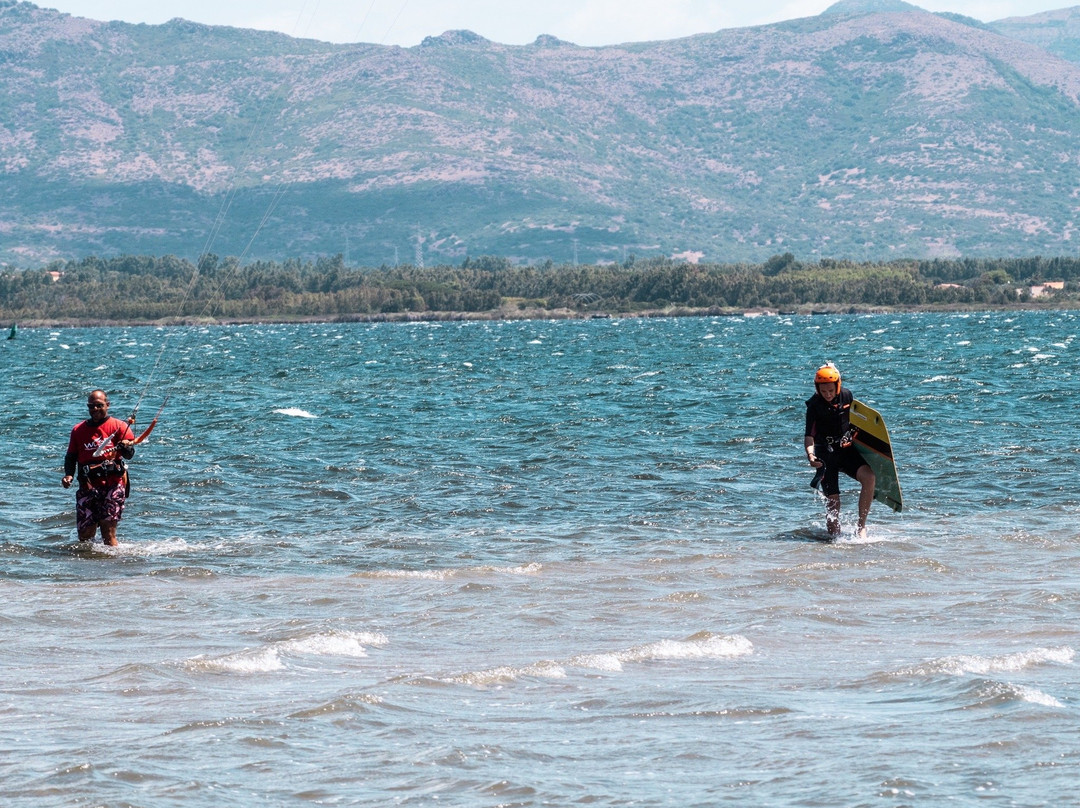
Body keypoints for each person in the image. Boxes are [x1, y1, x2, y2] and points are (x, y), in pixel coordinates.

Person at [804, 364, 875, 539]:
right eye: (823, 391)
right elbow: (809, 436)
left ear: (838, 386)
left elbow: (856, 420)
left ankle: (861, 526)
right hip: (825, 454)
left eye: (830, 390)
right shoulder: (813, 405)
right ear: (817, 389)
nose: (827, 394)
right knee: (833, 503)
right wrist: (811, 456)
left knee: (870, 477)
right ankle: (834, 541)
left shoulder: (846, 395)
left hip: (846, 450)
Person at [62, 390, 135, 546]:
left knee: (108, 533)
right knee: (84, 536)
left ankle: (113, 565)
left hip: (113, 484)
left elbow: (129, 454)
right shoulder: (78, 430)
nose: (95, 409)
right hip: (87, 485)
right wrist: (68, 475)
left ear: (107, 405)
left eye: (99, 405)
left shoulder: (120, 426)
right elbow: (71, 457)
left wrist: (125, 447)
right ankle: (89, 567)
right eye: (91, 406)